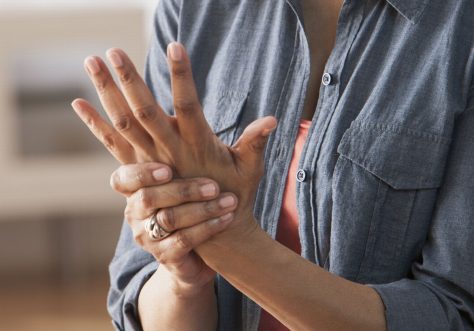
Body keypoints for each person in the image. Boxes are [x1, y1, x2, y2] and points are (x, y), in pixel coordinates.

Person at [71, 0, 474, 330]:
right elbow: (139, 299)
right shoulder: (192, 9)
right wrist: (182, 276)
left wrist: (232, 244)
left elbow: (454, 315)